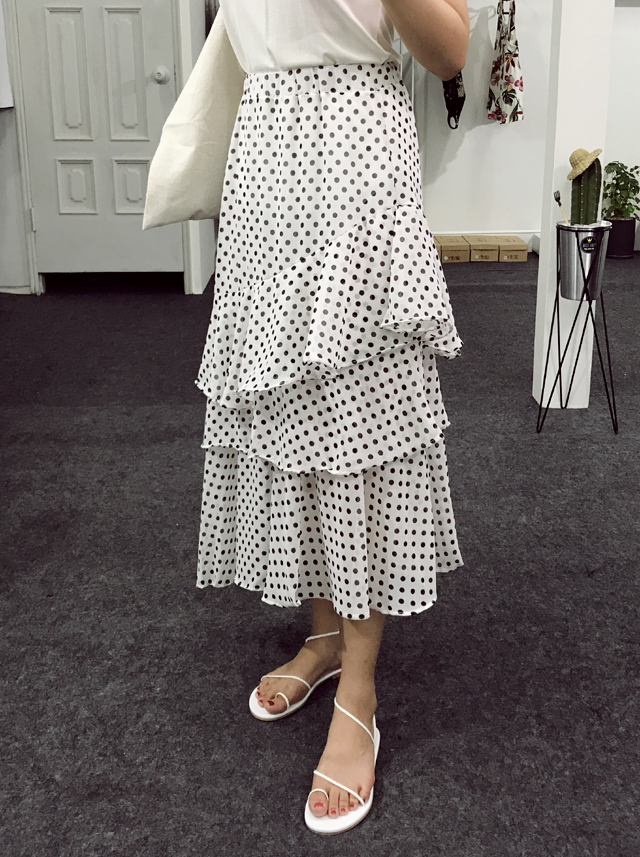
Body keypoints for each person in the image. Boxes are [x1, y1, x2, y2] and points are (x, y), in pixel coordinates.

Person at [196, 0, 469, 835]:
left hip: (355, 150)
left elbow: (450, 49)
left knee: (358, 417)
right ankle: (323, 638)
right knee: (287, 411)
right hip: (263, 152)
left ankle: (359, 686)